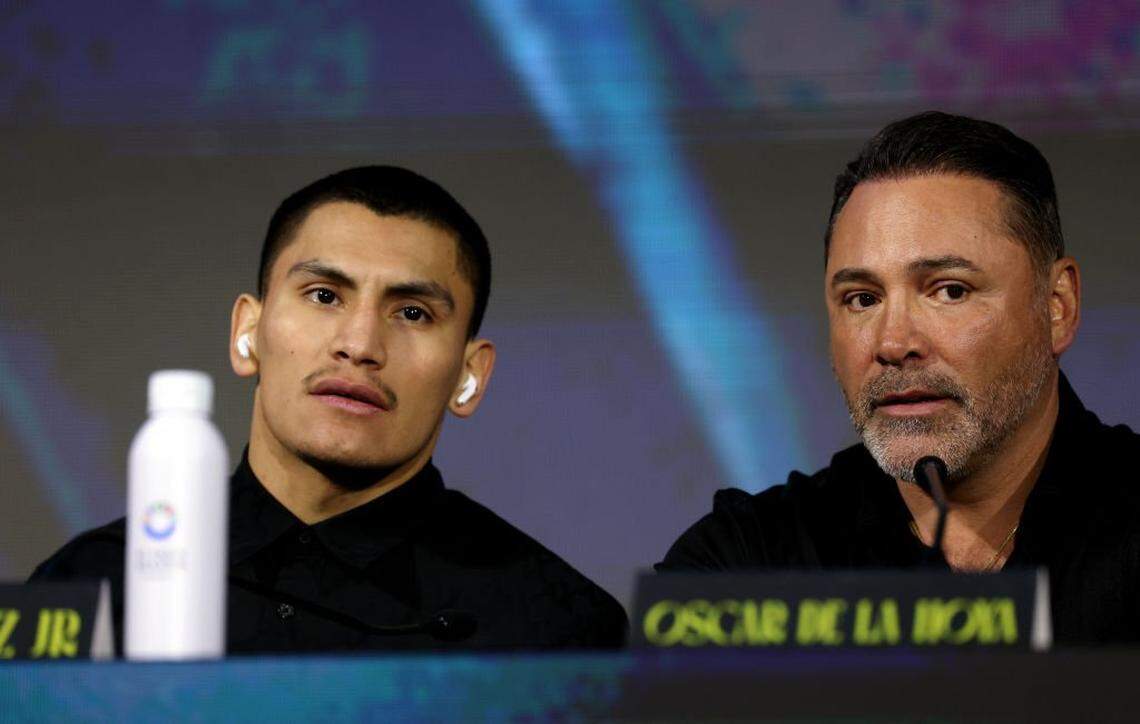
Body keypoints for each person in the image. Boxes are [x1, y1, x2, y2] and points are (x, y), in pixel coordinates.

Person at [31, 166, 627, 652]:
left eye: (412, 312)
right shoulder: (89, 587)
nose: (360, 344)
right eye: (324, 296)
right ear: (248, 332)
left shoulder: (556, 630)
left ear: (469, 375)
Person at [657, 111, 1140, 644]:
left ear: (1057, 307)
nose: (893, 344)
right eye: (862, 299)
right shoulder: (744, 570)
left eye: (949, 290)